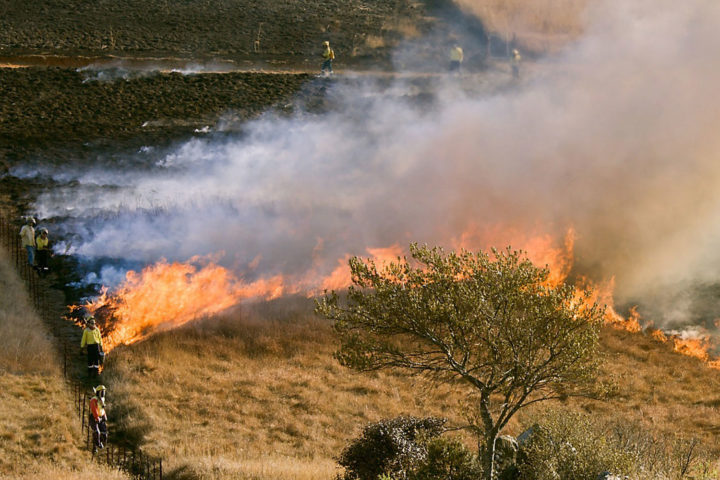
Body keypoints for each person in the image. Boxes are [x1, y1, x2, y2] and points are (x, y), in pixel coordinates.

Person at [89, 385, 108, 451]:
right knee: (97, 432)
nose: (103, 393)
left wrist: (104, 415)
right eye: (102, 392)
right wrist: (97, 417)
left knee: (104, 434)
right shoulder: (94, 399)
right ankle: (96, 446)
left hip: (101, 417)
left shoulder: (102, 400)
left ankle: (99, 443)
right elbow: (94, 409)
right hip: (94, 418)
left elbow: (102, 409)